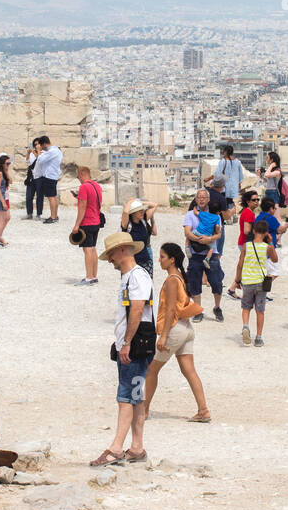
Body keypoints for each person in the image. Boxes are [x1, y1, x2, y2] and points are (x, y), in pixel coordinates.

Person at [90, 232, 155, 467]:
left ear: (123, 251)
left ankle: (116, 448)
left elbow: (137, 310)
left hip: (134, 346)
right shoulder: (133, 277)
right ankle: (136, 447)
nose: (110, 260)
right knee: (136, 397)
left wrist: (126, 343)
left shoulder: (136, 277)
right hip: (136, 345)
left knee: (125, 397)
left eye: (112, 255)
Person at [145, 243, 211, 422]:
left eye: (162, 257)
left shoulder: (172, 279)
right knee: (189, 370)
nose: (159, 260)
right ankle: (203, 410)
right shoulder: (180, 276)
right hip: (187, 328)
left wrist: (164, 335)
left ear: (172, 259)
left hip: (174, 329)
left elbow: (170, 310)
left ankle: (143, 411)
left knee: (152, 370)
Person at [183, 189, 225, 323]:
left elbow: (219, 234)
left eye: (204, 197)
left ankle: (217, 307)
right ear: (196, 199)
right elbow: (187, 232)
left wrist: (209, 239)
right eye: (199, 197)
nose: (201, 199)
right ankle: (197, 310)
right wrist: (198, 239)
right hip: (195, 254)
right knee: (195, 282)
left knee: (216, 282)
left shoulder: (214, 215)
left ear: (208, 199)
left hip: (211, 254)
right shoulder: (190, 214)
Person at [234, 217, 276, 346]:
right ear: (266, 232)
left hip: (247, 281)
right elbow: (275, 260)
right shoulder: (267, 247)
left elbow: (240, 264)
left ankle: (246, 326)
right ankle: (258, 337)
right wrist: (271, 242)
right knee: (260, 310)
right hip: (261, 282)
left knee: (246, 307)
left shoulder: (247, 246)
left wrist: (237, 279)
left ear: (253, 230)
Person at [69, 164, 104, 284]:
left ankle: (89, 277)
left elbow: (82, 207)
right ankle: (94, 275)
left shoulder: (84, 187)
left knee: (87, 249)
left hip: (87, 222)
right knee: (93, 248)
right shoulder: (97, 186)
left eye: (79, 177)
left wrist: (76, 225)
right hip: (96, 221)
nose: (79, 180)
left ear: (82, 174)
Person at [228, 187, 261, 299]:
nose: (256, 202)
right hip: (246, 243)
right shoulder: (248, 213)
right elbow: (247, 230)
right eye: (254, 200)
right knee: (246, 267)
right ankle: (235, 288)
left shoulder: (248, 212)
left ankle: (233, 288)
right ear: (248, 202)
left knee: (245, 267)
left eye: (258, 199)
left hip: (245, 242)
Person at [123, 198, 157, 276]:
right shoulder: (127, 225)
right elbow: (125, 211)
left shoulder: (143, 220)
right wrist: (130, 202)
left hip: (146, 260)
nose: (142, 212)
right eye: (139, 210)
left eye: (142, 210)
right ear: (133, 213)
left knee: (148, 284)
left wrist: (139, 202)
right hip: (131, 262)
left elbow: (154, 205)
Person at [33, 136, 62, 223]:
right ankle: (55, 216)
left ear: (45, 144)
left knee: (51, 197)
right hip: (53, 176)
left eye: (41, 146)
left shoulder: (51, 152)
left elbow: (40, 160)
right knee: (54, 197)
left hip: (49, 176)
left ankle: (53, 217)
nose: (42, 148)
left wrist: (38, 151)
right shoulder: (56, 150)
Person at [23, 141, 40, 220]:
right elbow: (27, 161)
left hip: (39, 177)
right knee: (29, 196)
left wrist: (36, 152)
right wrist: (29, 153)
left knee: (39, 197)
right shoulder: (32, 153)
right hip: (31, 177)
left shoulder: (43, 153)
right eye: (35, 144)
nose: (36, 146)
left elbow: (40, 160)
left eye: (38, 144)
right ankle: (29, 213)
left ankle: (38, 214)